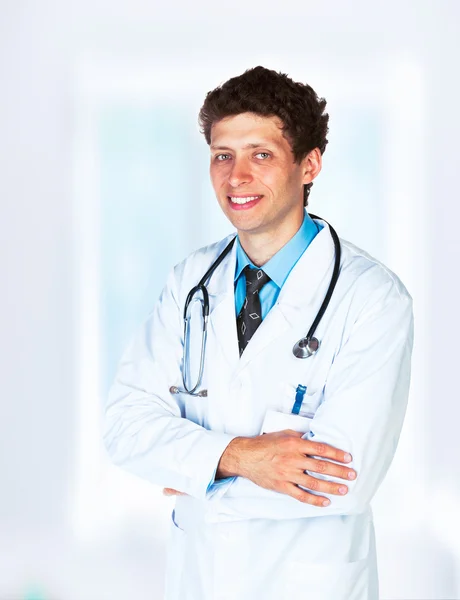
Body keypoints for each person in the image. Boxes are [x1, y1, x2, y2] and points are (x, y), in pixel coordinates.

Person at [103, 66, 414, 600]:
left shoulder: (373, 298)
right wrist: (247, 459)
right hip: (199, 579)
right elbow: (124, 428)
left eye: (261, 154)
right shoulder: (189, 283)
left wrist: (198, 472)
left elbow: (343, 483)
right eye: (223, 155)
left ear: (309, 164)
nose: (236, 176)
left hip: (312, 582)